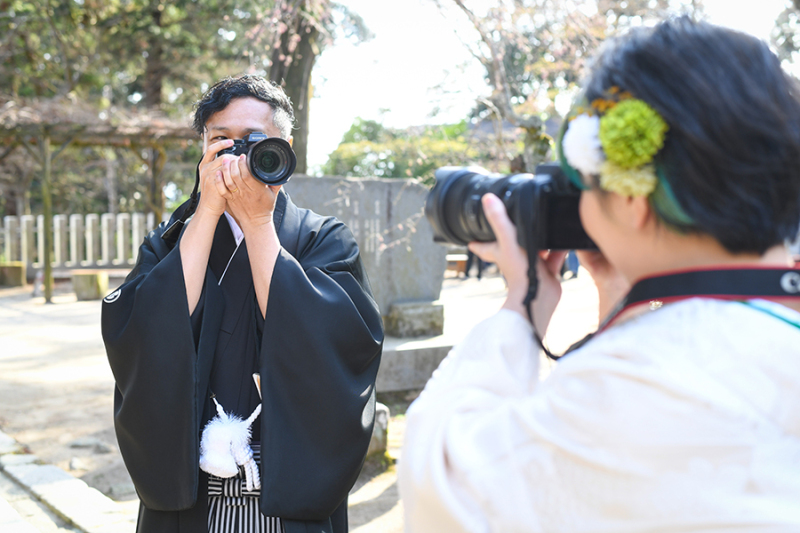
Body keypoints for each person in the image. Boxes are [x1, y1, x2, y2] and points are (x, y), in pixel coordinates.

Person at [399, 18, 800, 531]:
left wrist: (522, 309)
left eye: (581, 183)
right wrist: (618, 296)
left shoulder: (643, 383)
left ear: (632, 194)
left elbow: (446, 492)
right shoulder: (734, 341)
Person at [102, 75, 384, 533]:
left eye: (255, 142)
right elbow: (145, 332)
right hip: (191, 498)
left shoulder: (323, 239)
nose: (237, 156)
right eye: (221, 141)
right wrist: (207, 211)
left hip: (286, 494)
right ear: (202, 148)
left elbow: (335, 343)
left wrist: (257, 222)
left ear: (285, 147)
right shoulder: (173, 240)